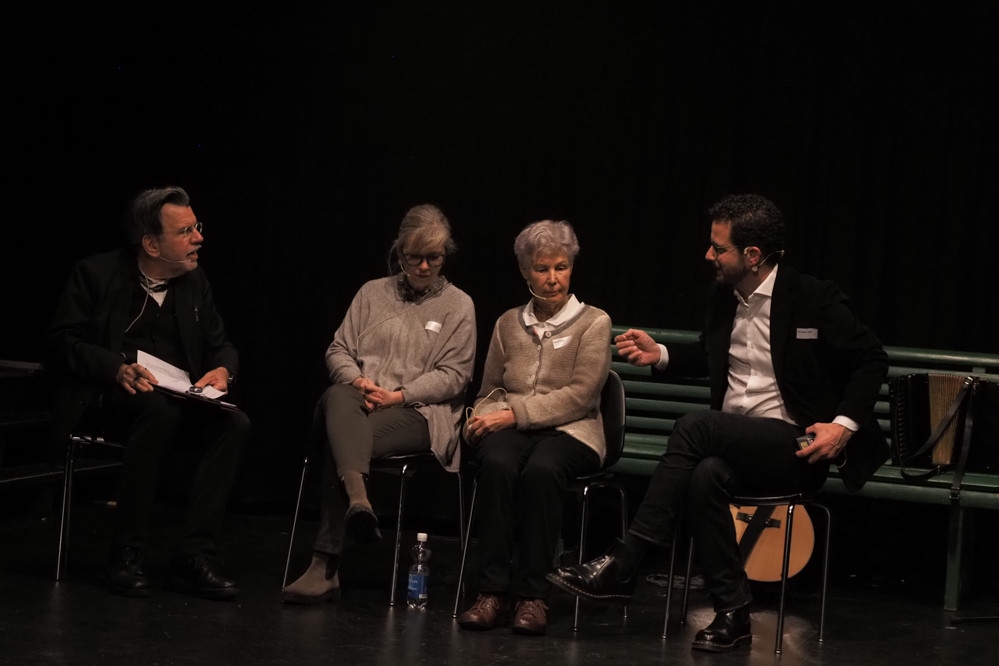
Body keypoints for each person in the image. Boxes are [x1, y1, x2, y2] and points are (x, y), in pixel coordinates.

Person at [547, 194, 889, 651]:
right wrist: (660, 354)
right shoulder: (723, 298)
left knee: (696, 427)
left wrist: (843, 425)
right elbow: (709, 354)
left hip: (795, 446)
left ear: (753, 255)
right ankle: (733, 612)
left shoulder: (812, 298)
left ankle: (626, 560)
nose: (709, 255)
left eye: (719, 248)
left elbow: (871, 359)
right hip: (737, 445)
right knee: (704, 476)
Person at [47, 185, 251, 600]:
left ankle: (195, 556)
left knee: (233, 424)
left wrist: (223, 370)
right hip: (106, 397)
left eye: (197, 226)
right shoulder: (96, 274)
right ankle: (126, 552)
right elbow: (63, 342)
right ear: (151, 244)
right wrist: (116, 367)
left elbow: (221, 344)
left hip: (172, 397)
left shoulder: (194, 282)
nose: (199, 237)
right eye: (185, 231)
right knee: (158, 412)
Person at [281, 203, 475, 604]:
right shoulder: (372, 293)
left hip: (419, 413)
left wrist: (398, 396)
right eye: (414, 257)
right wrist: (358, 380)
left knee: (342, 438)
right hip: (357, 401)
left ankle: (324, 564)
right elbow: (338, 349)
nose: (424, 266)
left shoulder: (459, 305)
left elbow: (455, 375)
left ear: (445, 255)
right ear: (399, 252)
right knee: (339, 397)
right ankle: (358, 500)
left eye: (434, 258)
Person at [456, 220, 612, 636]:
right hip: (515, 429)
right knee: (496, 463)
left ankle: (532, 595)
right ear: (525, 271)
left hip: (574, 430)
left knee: (542, 470)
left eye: (561, 267)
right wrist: (480, 418)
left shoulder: (594, 322)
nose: (553, 278)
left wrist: (513, 414)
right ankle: (491, 592)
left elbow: (581, 396)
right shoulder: (508, 323)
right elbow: (490, 390)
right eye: (542, 269)